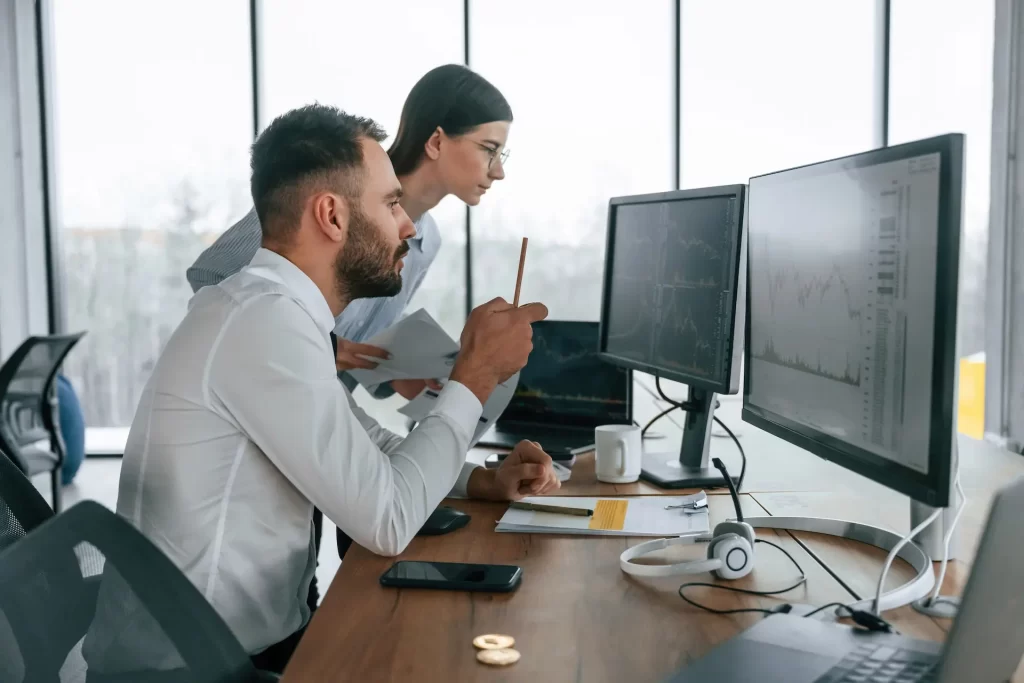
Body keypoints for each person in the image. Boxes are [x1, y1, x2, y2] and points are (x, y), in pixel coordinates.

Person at [82, 104, 556, 678]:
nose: (408, 226)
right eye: (389, 204)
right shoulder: (263, 323)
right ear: (331, 215)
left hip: (241, 645)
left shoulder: (275, 314)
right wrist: (473, 378)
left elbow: (374, 449)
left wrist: (482, 480)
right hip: (195, 669)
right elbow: (387, 519)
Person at [186, 63, 512, 402]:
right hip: (252, 404)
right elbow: (213, 273)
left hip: (322, 414)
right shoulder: (338, 186)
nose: (499, 171)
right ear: (435, 141)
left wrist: (395, 373)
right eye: (489, 150)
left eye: (501, 154)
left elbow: (365, 336)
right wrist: (318, 343)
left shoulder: (427, 242)